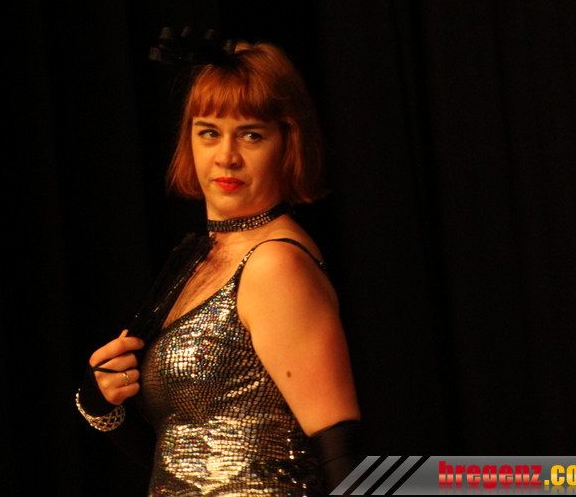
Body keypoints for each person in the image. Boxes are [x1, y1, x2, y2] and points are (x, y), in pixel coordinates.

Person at [76, 41, 362, 496]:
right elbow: (185, 456)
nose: (226, 156)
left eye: (251, 135)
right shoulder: (202, 255)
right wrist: (101, 406)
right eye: (209, 132)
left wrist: (479, 478)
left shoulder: (275, 264)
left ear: (287, 143)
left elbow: (341, 455)